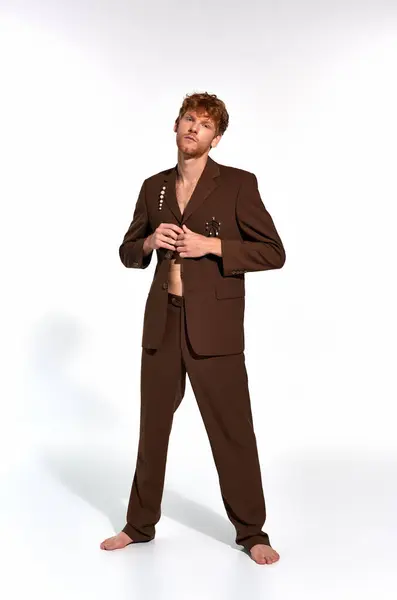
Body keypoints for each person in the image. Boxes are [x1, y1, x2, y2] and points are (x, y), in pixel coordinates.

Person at [100, 92, 285, 565]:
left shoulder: (239, 185)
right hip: (164, 323)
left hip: (216, 330)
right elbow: (126, 252)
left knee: (233, 431)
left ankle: (252, 532)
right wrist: (146, 241)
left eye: (203, 125)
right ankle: (139, 526)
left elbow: (273, 252)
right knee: (153, 429)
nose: (193, 129)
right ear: (176, 126)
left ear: (215, 138)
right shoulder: (153, 187)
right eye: (188, 119)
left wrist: (213, 245)